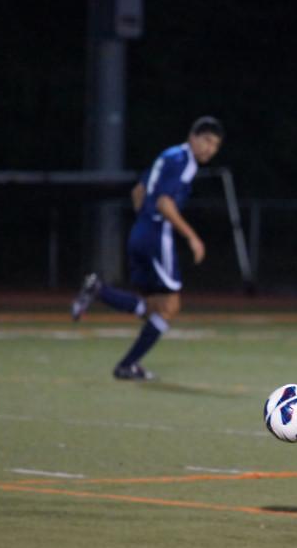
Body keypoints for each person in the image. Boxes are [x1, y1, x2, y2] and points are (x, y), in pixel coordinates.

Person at [70, 116, 225, 380]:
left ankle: (99, 290)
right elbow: (165, 204)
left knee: (154, 306)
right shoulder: (185, 162)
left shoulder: (168, 154)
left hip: (140, 232)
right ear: (193, 137)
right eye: (207, 141)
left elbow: (138, 192)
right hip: (157, 236)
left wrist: (144, 222)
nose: (210, 149)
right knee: (170, 306)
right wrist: (192, 237)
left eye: (215, 145)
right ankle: (127, 364)